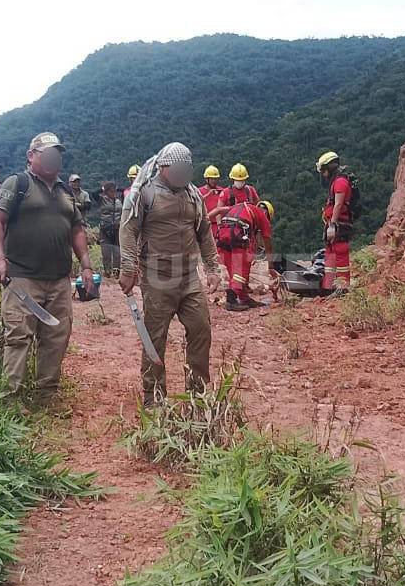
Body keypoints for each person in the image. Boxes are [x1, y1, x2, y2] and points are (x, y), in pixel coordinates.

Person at [0, 132, 94, 407]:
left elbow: (77, 230)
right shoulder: (18, 183)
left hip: (59, 280)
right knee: (18, 337)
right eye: (45, 153)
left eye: (56, 153)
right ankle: (11, 399)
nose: (52, 158)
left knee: (57, 338)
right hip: (22, 278)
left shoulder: (65, 192)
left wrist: (86, 265)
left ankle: (46, 396)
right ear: (31, 156)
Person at [119, 142, 222, 406]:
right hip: (157, 276)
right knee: (155, 336)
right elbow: (128, 229)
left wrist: (212, 268)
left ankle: (197, 393)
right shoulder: (146, 194)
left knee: (201, 329)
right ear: (164, 167)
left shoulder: (193, 196)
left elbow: (204, 232)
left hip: (189, 276)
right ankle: (154, 397)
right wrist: (129, 267)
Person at [215, 199, 276, 311]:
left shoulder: (241, 207)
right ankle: (231, 299)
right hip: (237, 235)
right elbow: (268, 243)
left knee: (234, 271)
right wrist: (271, 266)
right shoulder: (262, 216)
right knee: (241, 270)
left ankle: (244, 298)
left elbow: (218, 210)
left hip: (223, 235)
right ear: (267, 214)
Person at [317, 151, 353, 293]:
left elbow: (338, 204)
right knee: (330, 254)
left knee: (340, 253)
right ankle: (329, 287)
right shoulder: (336, 181)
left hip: (339, 224)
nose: (323, 175)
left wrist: (332, 224)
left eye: (324, 171)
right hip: (334, 223)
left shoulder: (340, 182)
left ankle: (342, 288)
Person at [98, 180, 123, 276]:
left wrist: (116, 187)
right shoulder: (102, 200)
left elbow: (124, 190)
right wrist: (103, 188)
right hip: (105, 228)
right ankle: (107, 271)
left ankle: (116, 271)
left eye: (114, 191)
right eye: (111, 191)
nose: (114, 193)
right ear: (106, 192)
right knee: (106, 251)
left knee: (117, 251)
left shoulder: (119, 200)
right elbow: (93, 193)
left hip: (117, 228)